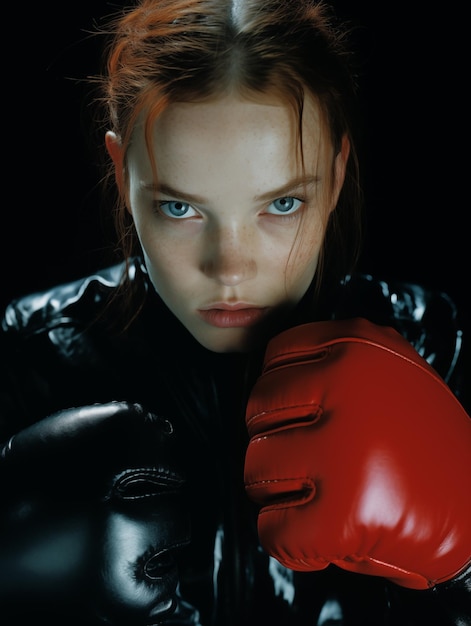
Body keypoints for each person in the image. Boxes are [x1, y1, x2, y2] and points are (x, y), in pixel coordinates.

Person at [1, 0, 470, 625]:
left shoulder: (436, 347)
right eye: (179, 208)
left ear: (334, 176)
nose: (229, 267)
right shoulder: (27, 359)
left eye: (280, 205)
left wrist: (463, 565)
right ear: (121, 174)